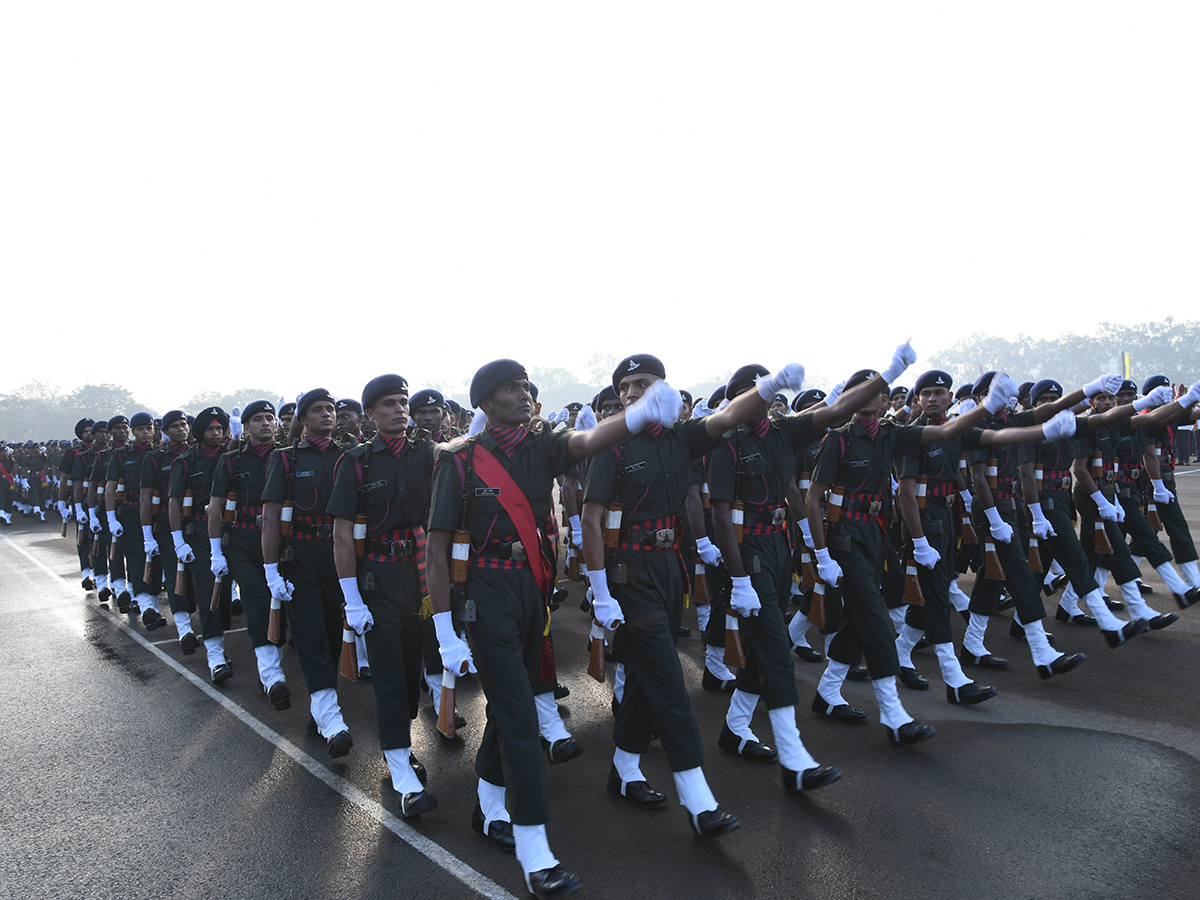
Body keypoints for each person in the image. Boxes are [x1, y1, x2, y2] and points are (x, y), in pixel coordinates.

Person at [425, 357, 684, 899]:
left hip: (531, 588)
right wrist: (446, 629)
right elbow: (438, 546)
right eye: (511, 388)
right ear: (485, 401)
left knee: (511, 704)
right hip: (486, 593)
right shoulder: (459, 461)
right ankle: (533, 850)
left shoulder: (545, 443)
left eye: (526, 386)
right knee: (519, 713)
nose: (524, 394)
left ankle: (489, 806)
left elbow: (590, 443)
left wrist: (637, 417)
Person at [582, 353, 808, 829]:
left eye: (641, 383)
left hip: (669, 567)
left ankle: (624, 771)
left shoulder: (681, 438)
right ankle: (698, 797)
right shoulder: (614, 443)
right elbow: (591, 519)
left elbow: (727, 415)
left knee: (647, 678)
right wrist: (600, 592)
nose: (630, 393)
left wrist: (768, 389)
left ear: (663, 388)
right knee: (669, 683)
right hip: (630, 573)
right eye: (623, 387)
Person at [806, 365, 1064, 744]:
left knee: (865, 618)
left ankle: (828, 692)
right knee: (876, 620)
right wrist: (822, 553)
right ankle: (894, 716)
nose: (865, 399)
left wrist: (994, 406)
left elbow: (947, 431)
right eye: (856, 392)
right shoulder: (838, 441)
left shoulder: (893, 435)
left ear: (883, 399)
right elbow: (813, 498)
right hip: (844, 539)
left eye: (873, 392)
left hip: (876, 537)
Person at [707, 362, 908, 790]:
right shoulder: (726, 444)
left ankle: (735, 727)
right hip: (748, 552)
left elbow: (836, 413)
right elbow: (721, 517)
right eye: (750, 394)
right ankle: (794, 758)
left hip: (779, 547)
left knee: (766, 643)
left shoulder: (784, 432)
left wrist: (888, 373)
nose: (760, 403)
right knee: (777, 648)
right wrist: (739, 579)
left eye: (766, 394)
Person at [328, 375, 438, 817]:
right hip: (378, 577)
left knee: (413, 674)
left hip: (423, 576)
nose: (400, 409)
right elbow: (340, 534)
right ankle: (402, 774)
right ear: (370, 415)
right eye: (389, 404)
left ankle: (400, 746)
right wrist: (352, 599)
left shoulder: (428, 454)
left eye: (403, 401)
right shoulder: (355, 463)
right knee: (391, 676)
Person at [261, 389, 352, 757]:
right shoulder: (285, 460)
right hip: (301, 556)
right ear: (303, 418)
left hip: (339, 555)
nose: (327, 415)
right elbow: (269, 518)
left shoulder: (349, 457)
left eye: (331, 409)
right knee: (312, 637)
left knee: (332, 638)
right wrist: (270, 571)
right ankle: (333, 720)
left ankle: (320, 711)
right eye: (318, 410)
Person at [208, 400, 292, 709]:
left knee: (281, 605)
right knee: (257, 603)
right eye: (258, 419)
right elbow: (216, 508)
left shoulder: (286, 458)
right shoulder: (231, 462)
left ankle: (273, 666)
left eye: (270, 418)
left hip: (282, 541)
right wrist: (216, 551)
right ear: (245, 428)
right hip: (244, 542)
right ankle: (271, 675)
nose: (266, 423)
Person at [169, 407, 233, 682]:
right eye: (210, 429)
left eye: (220, 429)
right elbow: (173, 502)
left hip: (232, 531)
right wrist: (178, 541)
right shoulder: (185, 462)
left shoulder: (231, 459)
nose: (216, 434)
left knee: (227, 597)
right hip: (200, 534)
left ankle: (222, 640)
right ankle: (215, 656)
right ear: (200, 433)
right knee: (209, 593)